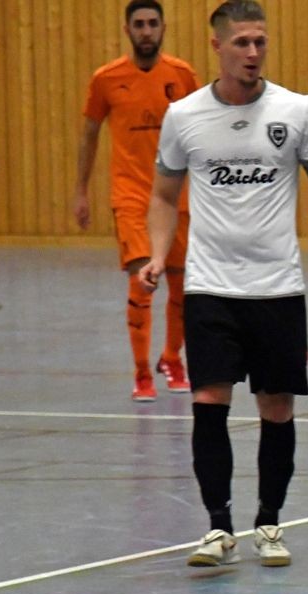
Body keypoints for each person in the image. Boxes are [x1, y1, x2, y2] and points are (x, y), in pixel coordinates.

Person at [139, 0, 308, 568]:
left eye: (260, 41)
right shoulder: (185, 116)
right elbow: (163, 195)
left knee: (276, 406)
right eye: (242, 43)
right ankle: (217, 528)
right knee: (208, 400)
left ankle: (269, 523)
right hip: (210, 287)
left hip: (277, 289)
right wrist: (158, 257)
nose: (253, 52)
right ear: (217, 46)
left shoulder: (296, 110)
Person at [74, 0, 200, 402]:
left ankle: (172, 359)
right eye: (139, 25)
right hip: (131, 196)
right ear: (127, 30)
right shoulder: (106, 79)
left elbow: (201, 132)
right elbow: (89, 134)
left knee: (182, 285)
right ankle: (142, 371)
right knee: (142, 280)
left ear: (164, 28)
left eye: (153, 24)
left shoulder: (181, 75)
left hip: (176, 195)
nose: (146, 31)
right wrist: (80, 191)